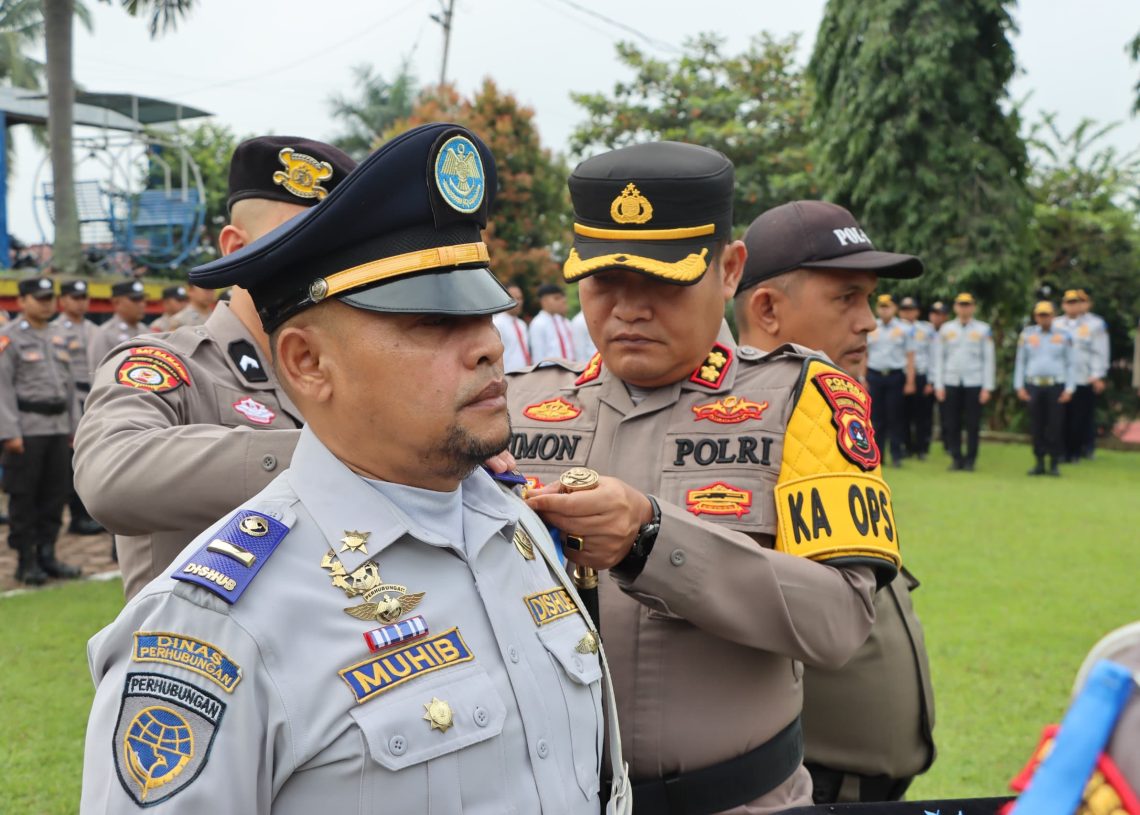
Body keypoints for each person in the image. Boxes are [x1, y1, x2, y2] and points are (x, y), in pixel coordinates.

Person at [80, 122, 630, 814]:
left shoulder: (512, 525)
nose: (489, 347)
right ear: (307, 363)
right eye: (433, 322)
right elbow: (114, 469)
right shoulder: (213, 628)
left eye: (485, 311)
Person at [508, 145, 899, 814]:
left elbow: (839, 620)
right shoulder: (519, 404)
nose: (630, 308)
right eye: (604, 281)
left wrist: (651, 539)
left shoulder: (803, 399)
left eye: (663, 281)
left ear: (730, 268)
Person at [74, 136, 355, 601]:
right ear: (233, 249)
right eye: (297, 240)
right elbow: (110, 473)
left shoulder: (346, 375)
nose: (322, 266)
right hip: (198, 662)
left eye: (340, 248)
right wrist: (343, 460)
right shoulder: (171, 365)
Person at [735, 199, 935, 804]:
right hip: (808, 787)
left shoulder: (825, 415)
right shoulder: (736, 434)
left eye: (869, 298)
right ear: (767, 309)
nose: (869, 321)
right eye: (846, 298)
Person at [0, 277, 81, 584]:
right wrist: (9, 432)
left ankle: (48, 555)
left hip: (58, 427)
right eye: (39, 298)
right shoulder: (9, 338)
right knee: (24, 496)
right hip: (27, 429)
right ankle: (26, 560)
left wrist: (75, 426)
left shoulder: (60, 336)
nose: (46, 303)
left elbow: (70, 387)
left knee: (54, 494)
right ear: (21, 302)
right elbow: (2, 388)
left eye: (50, 298)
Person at [51, 279, 104, 535]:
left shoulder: (95, 330)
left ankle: (86, 513)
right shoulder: (54, 329)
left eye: (84, 297)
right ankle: (75, 514)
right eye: (74, 297)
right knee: (71, 459)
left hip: (93, 396)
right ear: (63, 301)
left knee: (94, 456)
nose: (80, 302)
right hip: (70, 400)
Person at [933, 292, 995, 471]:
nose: (964, 308)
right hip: (951, 381)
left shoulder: (983, 329)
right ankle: (956, 457)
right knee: (952, 423)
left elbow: (988, 360)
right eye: (961, 304)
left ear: (973, 307)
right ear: (955, 307)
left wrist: (987, 387)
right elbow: (939, 359)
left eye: (967, 304)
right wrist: (939, 385)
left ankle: (970, 460)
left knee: (973, 424)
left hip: (974, 382)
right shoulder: (946, 329)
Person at [1014, 301, 1074, 476]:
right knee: (1037, 425)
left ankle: (1054, 462)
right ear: (1035, 317)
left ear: (1053, 316)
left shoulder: (1064, 336)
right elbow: (1021, 362)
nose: (1044, 318)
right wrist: (1019, 386)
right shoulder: (1027, 335)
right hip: (1034, 385)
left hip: (1055, 385)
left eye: (1047, 315)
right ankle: (1039, 461)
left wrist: (1069, 388)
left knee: (1055, 425)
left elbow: (1070, 364)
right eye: (1040, 315)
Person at [1056, 289, 1109, 461]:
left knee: (1080, 418)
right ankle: (1061, 451)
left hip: (1083, 377)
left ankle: (1076, 451)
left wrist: (1097, 375)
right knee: (1060, 417)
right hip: (1061, 378)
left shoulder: (1094, 325)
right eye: (1069, 302)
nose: (1072, 306)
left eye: (1076, 302)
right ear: (1063, 305)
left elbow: (1100, 352)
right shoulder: (1056, 324)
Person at [865, 294, 915, 467]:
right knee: (876, 419)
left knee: (895, 417)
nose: (884, 310)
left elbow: (910, 356)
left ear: (894, 309)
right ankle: (878, 456)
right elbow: (865, 354)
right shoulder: (871, 327)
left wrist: (910, 381)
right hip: (875, 375)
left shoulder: (904, 328)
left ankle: (896, 455)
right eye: (881, 306)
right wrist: (862, 378)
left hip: (895, 376)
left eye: (888, 306)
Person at [899, 296, 936, 460]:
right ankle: (906, 447)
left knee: (922, 414)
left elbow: (933, 354)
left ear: (917, 311)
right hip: (901, 374)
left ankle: (922, 448)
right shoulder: (896, 328)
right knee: (903, 414)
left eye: (911, 309)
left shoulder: (926, 329)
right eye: (905, 310)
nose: (908, 313)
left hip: (921, 374)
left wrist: (931, 380)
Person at [88, 280, 148, 377]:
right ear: (117, 302)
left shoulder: (146, 331)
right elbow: (98, 375)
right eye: (135, 299)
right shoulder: (105, 333)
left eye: (142, 299)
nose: (142, 304)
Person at [528, 281, 576, 361]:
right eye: (556, 298)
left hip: (570, 368)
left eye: (562, 298)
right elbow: (538, 356)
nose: (562, 301)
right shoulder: (538, 324)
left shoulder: (563, 321)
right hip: (551, 371)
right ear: (544, 301)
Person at [491, 283, 531, 372]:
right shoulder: (496, 324)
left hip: (524, 374)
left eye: (520, 298)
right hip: (508, 376)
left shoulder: (522, 325)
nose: (519, 302)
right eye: (515, 298)